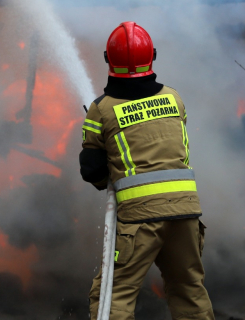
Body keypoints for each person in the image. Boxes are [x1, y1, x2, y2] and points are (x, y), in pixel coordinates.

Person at [80, 21, 214, 320]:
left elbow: (92, 171)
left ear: (108, 59)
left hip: (139, 219)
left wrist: (108, 174)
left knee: (113, 295)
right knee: (189, 291)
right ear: (152, 56)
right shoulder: (174, 98)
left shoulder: (101, 109)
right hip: (186, 213)